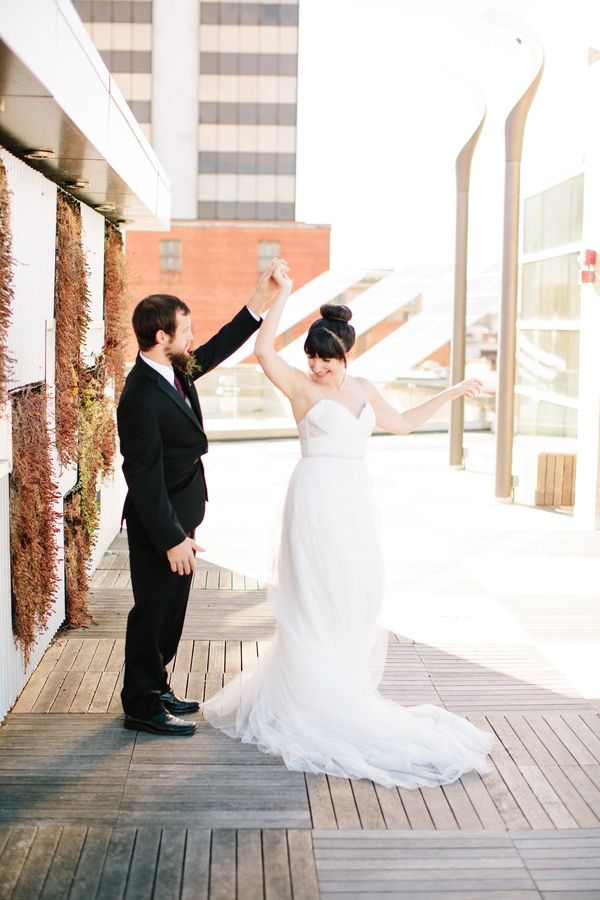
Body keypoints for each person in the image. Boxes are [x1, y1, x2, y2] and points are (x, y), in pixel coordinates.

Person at [202, 259, 495, 787]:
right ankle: (312, 696)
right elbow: (263, 351)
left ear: (347, 354)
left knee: (354, 597)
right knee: (313, 598)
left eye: (327, 360)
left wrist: (451, 392)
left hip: (354, 502)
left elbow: (403, 425)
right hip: (314, 499)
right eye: (313, 358)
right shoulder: (300, 388)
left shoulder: (364, 389)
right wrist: (282, 293)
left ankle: (342, 685)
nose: (319, 368)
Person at [117, 265, 278, 736]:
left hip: (183, 515)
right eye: (185, 330)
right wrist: (171, 539)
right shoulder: (139, 397)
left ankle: (156, 684)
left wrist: (258, 299)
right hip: (158, 525)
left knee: (172, 610)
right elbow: (142, 478)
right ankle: (141, 705)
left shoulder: (173, 368)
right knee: (151, 612)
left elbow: (218, 348)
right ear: (160, 336)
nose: (193, 337)